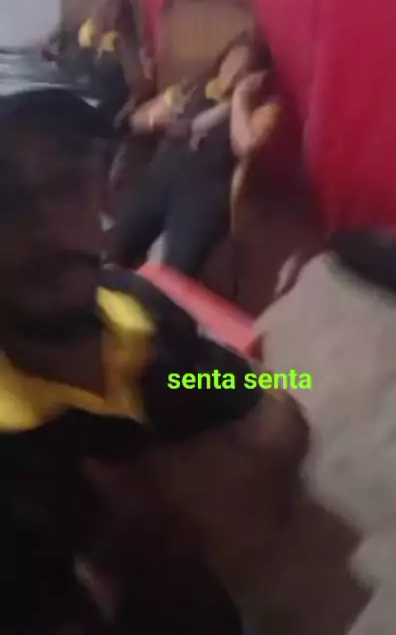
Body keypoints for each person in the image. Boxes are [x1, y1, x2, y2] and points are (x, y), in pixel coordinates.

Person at [0, 87, 308, 633]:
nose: (46, 227)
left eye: (66, 184)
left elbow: (256, 386)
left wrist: (257, 470)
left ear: (102, 195)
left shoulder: (137, 312)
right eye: (5, 200)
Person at [110, 32, 282, 276]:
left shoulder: (264, 106)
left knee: (177, 272)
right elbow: (137, 120)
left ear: (257, 76)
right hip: (164, 172)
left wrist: (239, 98)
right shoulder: (191, 87)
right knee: (116, 247)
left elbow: (246, 146)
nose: (233, 71)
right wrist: (155, 120)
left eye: (245, 67)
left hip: (205, 191)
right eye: (231, 61)